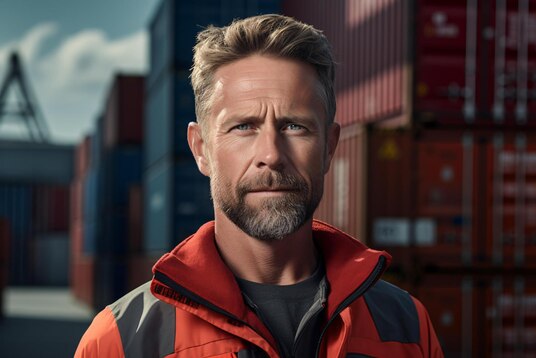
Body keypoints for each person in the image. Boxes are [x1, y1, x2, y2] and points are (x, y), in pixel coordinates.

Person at [75, 14, 443, 358]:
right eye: (244, 127)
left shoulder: (408, 325)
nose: (271, 154)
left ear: (330, 147)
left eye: (294, 126)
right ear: (201, 150)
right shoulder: (120, 340)